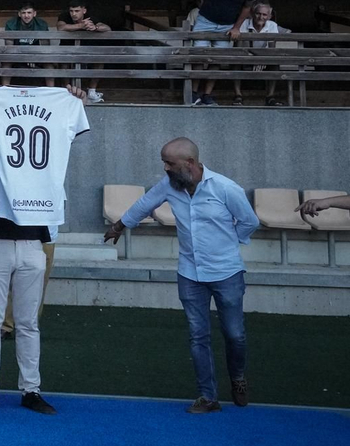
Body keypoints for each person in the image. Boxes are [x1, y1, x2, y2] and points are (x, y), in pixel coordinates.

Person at [104, 138, 259, 413]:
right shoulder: (169, 186)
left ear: (189, 163)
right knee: (198, 335)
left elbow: (250, 221)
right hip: (189, 273)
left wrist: (229, 242)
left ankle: (238, 378)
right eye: (164, 162)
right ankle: (208, 396)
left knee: (235, 334)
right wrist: (119, 226)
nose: (164, 168)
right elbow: (144, 203)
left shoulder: (225, 188)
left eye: (169, 163)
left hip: (227, 272)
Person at [0, 82, 88, 416]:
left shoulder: (49, 121)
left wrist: (73, 99)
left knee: (27, 322)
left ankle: (30, 389)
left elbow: (67, 130)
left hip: (33, 239)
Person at [185, 0, 261, 106]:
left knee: (217, 60)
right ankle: (193, 94)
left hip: (227, 25)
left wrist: (236, 27)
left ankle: (207, 95)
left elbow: (247, 8)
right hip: (205, 20)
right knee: (199, 56)